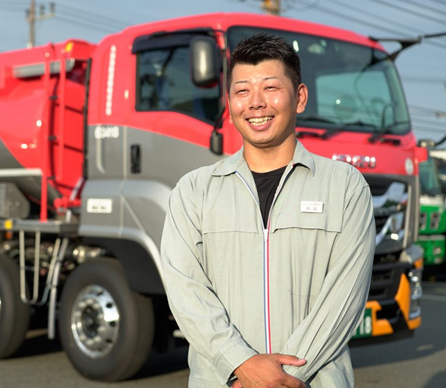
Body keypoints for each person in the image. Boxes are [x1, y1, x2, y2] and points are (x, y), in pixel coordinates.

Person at [160, 33, 376, 388]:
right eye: (242, 91)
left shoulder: (345, 186)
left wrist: (278, 379)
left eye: (271, 88)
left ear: (300, 97)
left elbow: (344, 300)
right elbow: (185, 291)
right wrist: (239, 363)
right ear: (230, 103)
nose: (256, 103)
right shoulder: (194, 190)